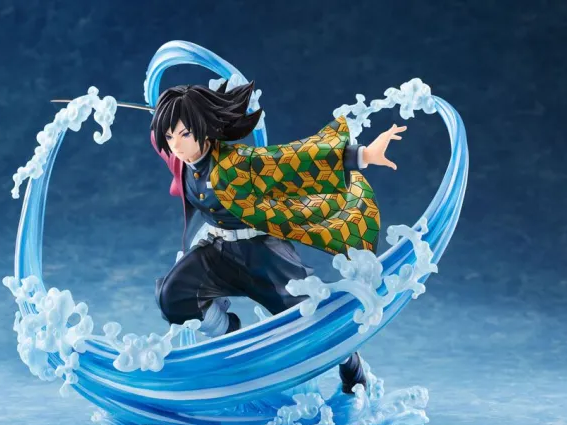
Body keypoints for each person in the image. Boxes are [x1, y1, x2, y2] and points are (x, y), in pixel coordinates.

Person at [150, 81, 406, 394]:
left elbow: (293, 161)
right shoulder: (181, 163)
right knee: (172, 294)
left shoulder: (237, 162)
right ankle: (229, 339)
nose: (176, 145)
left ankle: (351, 366)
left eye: (185, 134)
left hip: (263, 256)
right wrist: (166, 111)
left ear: (204, 129)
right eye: (170, 136)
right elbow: (158, 136)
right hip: (218, 251)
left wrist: (363, 155)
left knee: (309, 322)